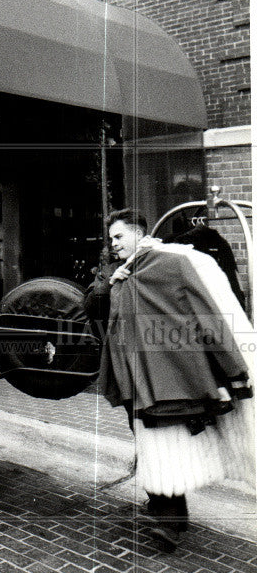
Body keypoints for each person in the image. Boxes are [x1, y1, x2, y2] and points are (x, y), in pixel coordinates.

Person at [98, 208, 254, 552]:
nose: (113, 244)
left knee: (161, 440)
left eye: (119, 236)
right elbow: (91, 307)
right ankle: (169, 512)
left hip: (170, 377)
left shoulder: (175, 264)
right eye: (111, 239)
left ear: (140, 233)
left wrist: (234, 371)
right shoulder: (118, 272)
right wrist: (111, 284)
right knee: (151, 439)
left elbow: (208, 317)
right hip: (132, 381)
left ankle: (168, 522)